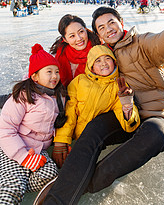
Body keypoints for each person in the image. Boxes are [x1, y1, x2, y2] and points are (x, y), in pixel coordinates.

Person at [40, 0, 164, 205]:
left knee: (158, 136)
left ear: (121, 23)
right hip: (117, 111)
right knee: (93, 129)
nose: (108, 29)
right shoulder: (102, 53)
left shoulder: (142, 43)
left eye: (111, 23)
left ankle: (84, 184)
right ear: (98, 33)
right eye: (101, 27)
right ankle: (56, 199)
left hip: (152, 112)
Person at [34, 45, 140, 204]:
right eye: (98, 61)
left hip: (88, 142)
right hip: (71, 139)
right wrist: (61, 140)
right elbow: (68, 113)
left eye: (107, 59)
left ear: (114, 62)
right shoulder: (79, 82)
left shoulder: (117, 86)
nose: (104, 63)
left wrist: (127, 106)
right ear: (91, 65)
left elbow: (127, 123)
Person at [0, 43, 69, 205]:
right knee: (13, 186)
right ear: (35, 76)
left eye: (57, 71)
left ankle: (16, 180)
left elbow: (57, 124)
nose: (55, 76)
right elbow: (5, 129)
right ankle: (9, 181)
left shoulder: (59, 96)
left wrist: (63, 142)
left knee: (51, 175)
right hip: (13, 148)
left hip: (38, 151)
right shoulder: (23, 96)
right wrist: (23, 157)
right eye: (49, 72)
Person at [50, 14, 101, 87]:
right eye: (72, 36)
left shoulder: (100, 51)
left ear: (85, 29)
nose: (79, 38)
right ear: (65, 40)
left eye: (81, 32)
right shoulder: (60, 55)